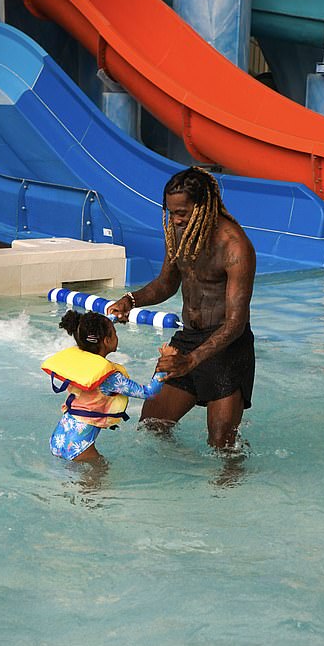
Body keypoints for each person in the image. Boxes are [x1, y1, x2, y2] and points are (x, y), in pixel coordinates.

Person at [108, 166, 256, 451]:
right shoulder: (178, 233)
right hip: (187, 340)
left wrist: (192, 360)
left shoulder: (235, 246)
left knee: (222, 445)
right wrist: (131, 300)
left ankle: (231, 493)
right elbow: (166, 283)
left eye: (182, 213)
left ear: (204, 208)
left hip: (227, 348)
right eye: (171, 212)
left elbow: (236, 322)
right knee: (152, 428)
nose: (175, 220)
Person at [42, 309, 169, 463]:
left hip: (60, 437)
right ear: (107, 341)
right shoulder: (110, 378)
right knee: (100, 484)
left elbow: (91, 330)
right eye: (114, 333)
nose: (117, 336)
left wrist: (115, 317)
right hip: (80, 447)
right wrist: (165, 364)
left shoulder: (82, 359)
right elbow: (149, 392)